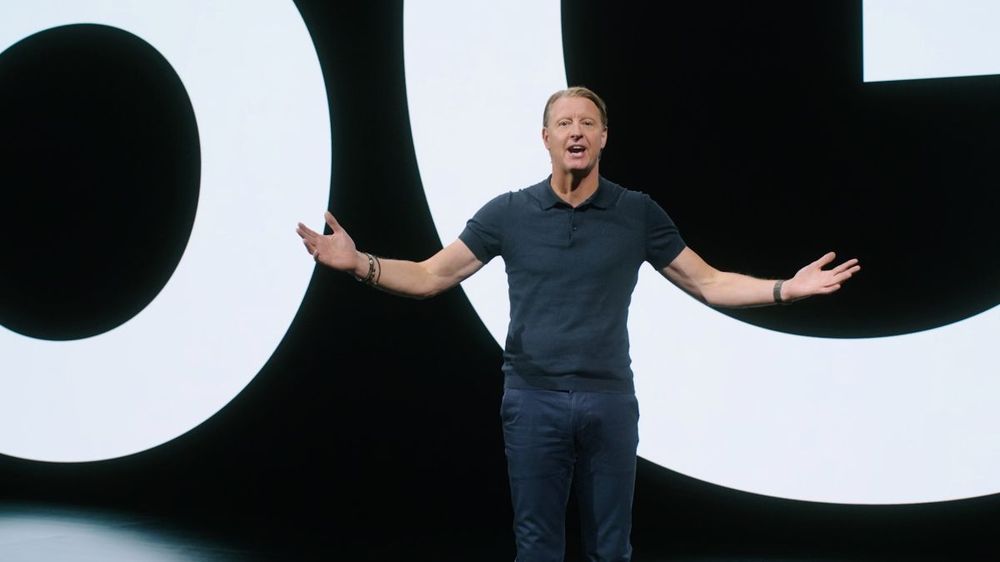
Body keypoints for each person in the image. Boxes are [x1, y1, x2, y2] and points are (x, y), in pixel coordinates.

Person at [296, 86, 860, 562]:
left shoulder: (637, 212)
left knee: (611, 549)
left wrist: (785, 288)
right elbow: (429, 275)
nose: (576, 132)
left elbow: (708, 282)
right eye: (564, 123)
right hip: (532, 399)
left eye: (588, 123)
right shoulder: (509, 213)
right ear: (545, 138)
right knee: (537, 547)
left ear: (604, 137)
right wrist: (360, 263)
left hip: (608, 401)